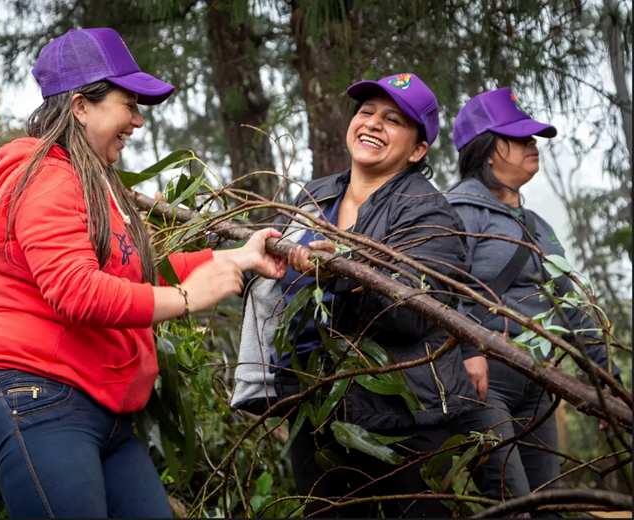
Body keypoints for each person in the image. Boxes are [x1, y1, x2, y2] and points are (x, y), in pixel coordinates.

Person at [0, 28, 287, 518]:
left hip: (102, 413)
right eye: (129, 104)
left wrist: (238, 258)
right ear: (80, 106)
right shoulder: (46, 178)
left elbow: (136, 274)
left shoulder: (92, 181)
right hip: (40, 401)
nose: (138, 121)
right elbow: (78, 293)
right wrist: (185, 298)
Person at [232, 73, 479, 518]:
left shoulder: (429, 211)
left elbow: (415, 312)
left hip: (406, 415)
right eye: (366, 112)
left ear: (418, 149)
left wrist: (340, 273)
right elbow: (278, 292)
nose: (372, 124)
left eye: (394, 120)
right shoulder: (314, 195)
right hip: (318, 406)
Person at [446, 88, 621, 516]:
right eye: (520, 137)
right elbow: (441, 288)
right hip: (484, 387)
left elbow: (572, 309)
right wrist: (469, 349)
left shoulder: (540, 227)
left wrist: (609, 384)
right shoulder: (452, 213)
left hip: (540, 389)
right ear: (488, 149)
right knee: (514, 508)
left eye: (533, 137)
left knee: (552, 507)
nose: (533, 145)